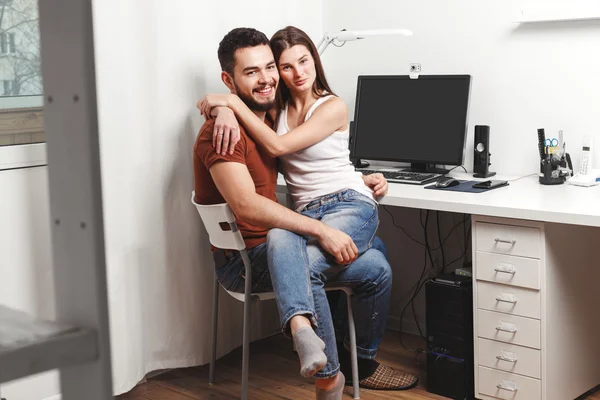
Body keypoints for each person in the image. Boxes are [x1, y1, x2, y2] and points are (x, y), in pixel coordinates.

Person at [194, 27, 417, 399]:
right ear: (229, 80)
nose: (268, 79)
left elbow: (315, 158)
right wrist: (223, 108)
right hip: (244, 262)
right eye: (253, 72)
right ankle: (329, 374)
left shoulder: (265, 118)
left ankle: (351, 358)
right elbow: (247, 205)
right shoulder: (222, 134)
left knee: (370, 259)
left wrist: (227, 105)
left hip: (287, 234)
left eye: (269, 68)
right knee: (362, 260)